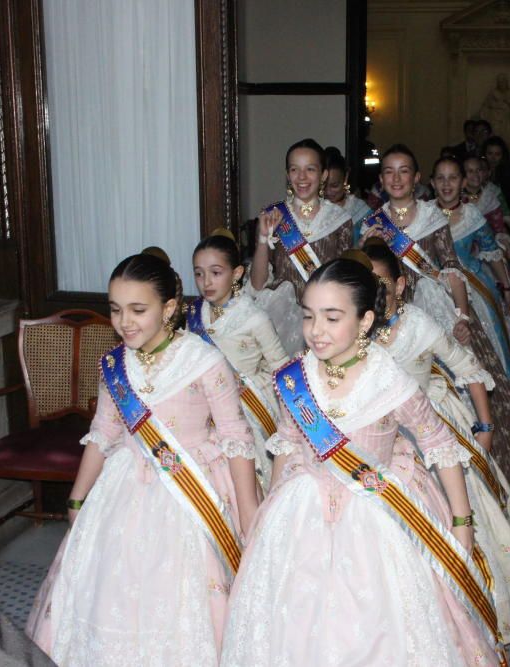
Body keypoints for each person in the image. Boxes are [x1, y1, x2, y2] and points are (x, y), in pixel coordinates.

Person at [220, 258, 505, 666]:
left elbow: (440, 445)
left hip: (380, 516)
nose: (316, 331)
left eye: (332, 318)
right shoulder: (293, 379)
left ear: (365, 320)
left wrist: (462, 527)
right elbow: (288, 446)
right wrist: (268, 515)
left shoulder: (389, 379)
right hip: (302, 515)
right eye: (308, 317)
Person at [26, 250, 259, 664]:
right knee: (111, 591)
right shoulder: (115, 364)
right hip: (124, 488)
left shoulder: (205, 361)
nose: (124, 322)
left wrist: (248, 515)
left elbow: (237, 440)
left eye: (138, 309)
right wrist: (78, 498)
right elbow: (103, 433)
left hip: (193, 494)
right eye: (115, 310)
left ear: (168, 308)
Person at [365, 243, 510, 636]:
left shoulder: (417, 325)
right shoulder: (354, 328)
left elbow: (467, 365)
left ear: (399, 285)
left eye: (380, 283)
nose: (374, 292)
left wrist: (485, 427)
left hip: (424, 436)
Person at [360, 144, 510, 495]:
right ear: (381, 180)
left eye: (403, 171)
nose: (396, 178)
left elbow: (451, 268)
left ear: (415, 178)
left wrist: (462, 315)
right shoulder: (371, 223)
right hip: (388, 318)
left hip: (433, 308)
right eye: (389, 172)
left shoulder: (433, 217)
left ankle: (465, 476)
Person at [187, 228, 289, 488]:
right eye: (199, 273)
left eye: (216, 273)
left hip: (246, 407)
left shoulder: (254, 318)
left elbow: (283, 370)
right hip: (204, 405)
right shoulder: (195, 315)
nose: (206, 282)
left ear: (237, 274)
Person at [248, 138, 353, 353]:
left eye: (310, 169)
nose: (302, 177)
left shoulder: (340, 219)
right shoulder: (274, 216)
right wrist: (262, 238)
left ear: (323, 175)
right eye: (295, 170)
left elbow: (344, 281)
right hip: (281, 319)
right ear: (287, 175)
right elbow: (258, 284)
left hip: (325, 319)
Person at [434, 156, 510, 367]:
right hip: (433, 287)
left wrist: (507, 289)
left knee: (478, 350)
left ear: (463, 182)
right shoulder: (424, 212)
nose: (447, 184)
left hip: (473, 286)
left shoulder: (471, 214)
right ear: (432, 183)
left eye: (453, 178)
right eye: (441, 178)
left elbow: (491, 251)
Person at [321, 146, 373, 246]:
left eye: (334, 186)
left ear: (346, 177)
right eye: (322, 186)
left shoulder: (361, 212)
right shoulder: (312, 209)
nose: (328, 192)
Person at [482, 136, 510, 239]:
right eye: (490, 153)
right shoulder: (480, 171)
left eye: (497, 154)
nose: (493, 158)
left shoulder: (509, 173)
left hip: (507, 220)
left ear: (503, 155)